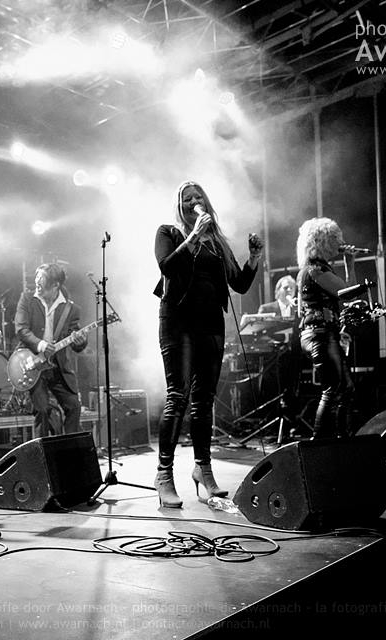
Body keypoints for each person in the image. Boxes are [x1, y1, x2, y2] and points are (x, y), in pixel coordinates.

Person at [153, 181, 263, 508]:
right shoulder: (169, 232)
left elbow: (239, 284)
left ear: (206, 202)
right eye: (187, 198)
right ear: (180, 206)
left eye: (198, 196)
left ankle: (203, 469)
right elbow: (167, 266)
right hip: (178, 322)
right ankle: (163, 474)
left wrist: (254, 257)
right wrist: (193, 237)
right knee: (178, 396)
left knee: (204, 401)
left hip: (211, 324)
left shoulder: (216, 242)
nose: (193, 201)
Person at [295, 217, 362, 439]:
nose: (339, 243)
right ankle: (320, 441)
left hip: (323, 333)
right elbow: (347, 293)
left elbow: (348, 293)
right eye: (334, 239)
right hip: (320, 334)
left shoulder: (318, 268)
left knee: (345, 388)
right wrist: (350, 264)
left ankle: (341, 438)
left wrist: (349, 263)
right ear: (322, 242)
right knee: (333, 388)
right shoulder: (315, 270)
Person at [14, 263, 87, 439]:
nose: (37, 283)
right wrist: (40, 344)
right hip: (32, 363)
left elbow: (75, 341)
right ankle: (42, 452)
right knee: (42, 410)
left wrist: (80, 342)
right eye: (37, 278)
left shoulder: (71, 309)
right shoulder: (27, 299)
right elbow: (21, 329)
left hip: (57, 367)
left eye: (42, 280)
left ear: (55, 285)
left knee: (74, 406)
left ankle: (70, 448)